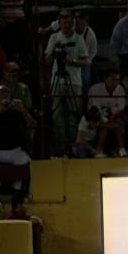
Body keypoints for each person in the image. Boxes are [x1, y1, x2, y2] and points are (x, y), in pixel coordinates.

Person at [45, 10, 89, 156]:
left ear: (72, 22)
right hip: (57, 80)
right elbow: (47, 61)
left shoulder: (79, 39)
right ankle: (60, 146)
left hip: (74, 81)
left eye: (69, 21)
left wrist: (73, 61)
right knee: (57, 114)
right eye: (63, 21)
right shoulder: (54, 37)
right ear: (60, 22)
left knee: (73, 113)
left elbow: (86, 60)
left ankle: (73, 145)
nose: (67, 24)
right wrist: (54, 50)